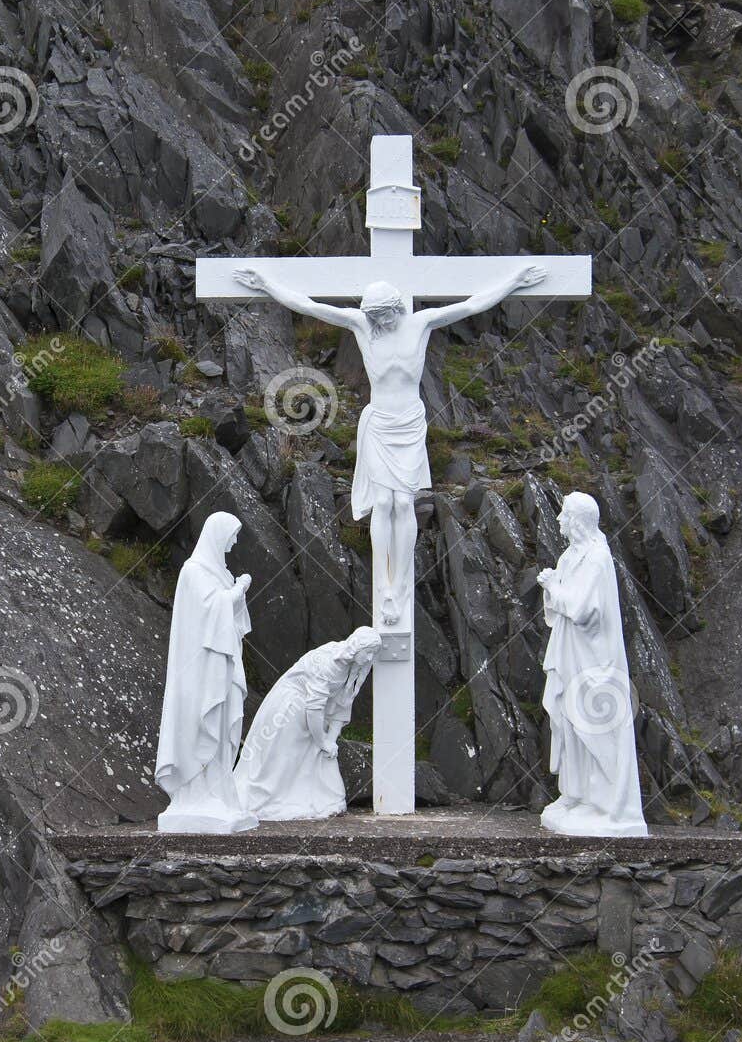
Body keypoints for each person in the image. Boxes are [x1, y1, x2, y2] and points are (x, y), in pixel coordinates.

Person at [235, 265, 544, 627]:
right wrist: (267, 284)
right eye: (372, 318)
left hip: (410, 426)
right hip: (380, 425)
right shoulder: (361, 325)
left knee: (403, 503)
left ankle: (400, 583)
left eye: (381, 317)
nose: (377, 324)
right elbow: (307, 305)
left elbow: (473, 305)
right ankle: (385, 583)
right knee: (383, 502)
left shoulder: (422, 323)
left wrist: (514, 281)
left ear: (395, 309)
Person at [536, 492, 648, 837]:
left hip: (593, 661)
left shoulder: (598, 558)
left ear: (579, 520)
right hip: (571, 654)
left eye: (564, 515)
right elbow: (561, 610)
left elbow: (584, 610)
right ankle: (578, 794)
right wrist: (552, 587)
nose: (558, 522)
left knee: (593, 726)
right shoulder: (571, 556)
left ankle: (607, 804)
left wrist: (553, 584)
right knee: (570, 724)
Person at [154, 512, 259, 833]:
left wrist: (234, 591)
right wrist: (237, 591)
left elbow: (235, 625)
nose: (235, 542)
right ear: (217, 535)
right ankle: (196, 793)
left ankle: (217, 793)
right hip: (199, 670)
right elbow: (208, 614)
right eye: (232, 535)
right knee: (202, 723)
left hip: (222, 666)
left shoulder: (218, 573)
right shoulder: (194, 572)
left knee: (222, 725)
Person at [234, 627, 384, 821]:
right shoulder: (329, 664)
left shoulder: (352, 669)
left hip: (313, 714)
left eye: (374, 653)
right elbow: (313, 710)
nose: (370, 657)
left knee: (321, 756)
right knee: (283, 759)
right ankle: (270, 800)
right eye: (369, 651)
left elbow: (342, 704)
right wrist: (322, 741)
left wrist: (330, 741)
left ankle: (323, 800)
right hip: (290, 709)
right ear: (357, 647)